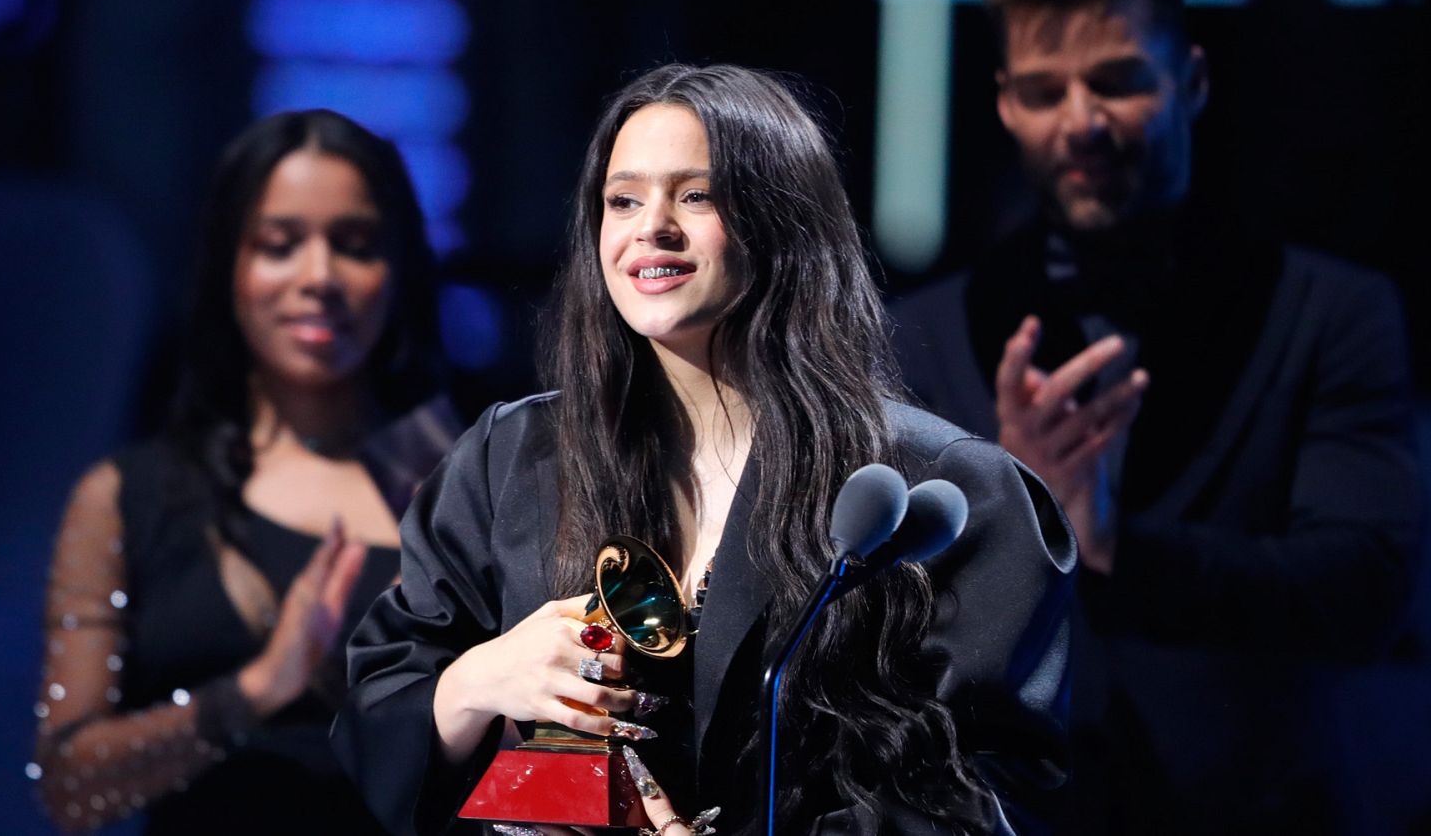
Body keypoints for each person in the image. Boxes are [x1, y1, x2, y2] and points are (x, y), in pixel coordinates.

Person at [334, 63, 1075, 835]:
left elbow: (991, 796)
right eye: (623, 200)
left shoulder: (939, 493)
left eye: (696, 196)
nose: (651, 226)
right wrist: (476, 681)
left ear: (782, 220)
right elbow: (378, 718)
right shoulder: (509, 458)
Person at [889, 0, 1423, 833]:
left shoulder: (1333, 314)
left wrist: (1118, 555)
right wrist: (1010, 526)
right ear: (1005, 106)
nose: (1081, 120)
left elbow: (1367, 591)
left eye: (1119, 80)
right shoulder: (918, 334)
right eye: (1042, 91)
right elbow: (878, 629)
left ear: (1194, 81)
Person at [30, 109, 459, 833]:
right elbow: (71, 787)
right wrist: (255, 690)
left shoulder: (464, 483)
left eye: (354, 245)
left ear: (400, 268)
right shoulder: (127, 497)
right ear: (229, 264)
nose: (319, 276)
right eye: (279, 244)